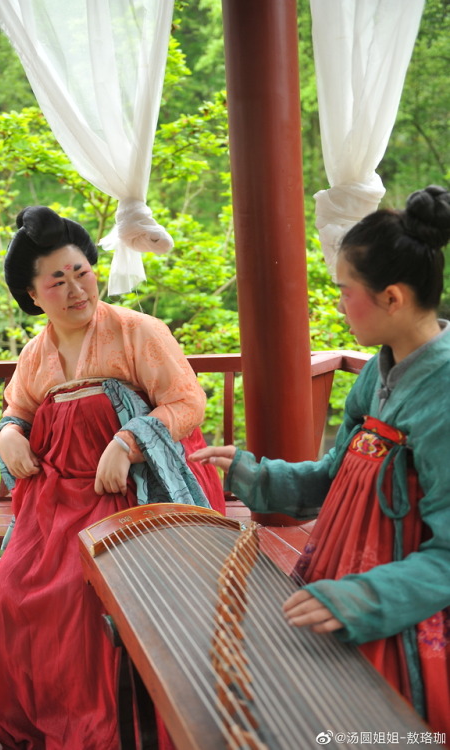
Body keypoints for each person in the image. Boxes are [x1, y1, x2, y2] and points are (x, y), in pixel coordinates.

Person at [0, 206, 225, 750]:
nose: (77, 289)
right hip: (52, 501)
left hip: (132, 494)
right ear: (33, 296)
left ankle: (104, 728)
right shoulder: (36, 353)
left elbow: (187, 403)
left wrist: (129, 441)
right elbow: (17, 407)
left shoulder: (137, 331)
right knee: (11, 594)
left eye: (82, 272)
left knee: (83, 597)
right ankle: (28, 716)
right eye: (58, 280)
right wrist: (10, 433)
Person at [191, 185, 450, 741]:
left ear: (393, 298)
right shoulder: (379, 375)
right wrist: (251, 473)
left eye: (344, 290)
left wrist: (363, 598)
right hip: (341, 580)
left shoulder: (445, 394)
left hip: (403, 614)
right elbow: (334, 480)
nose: (337, 304)